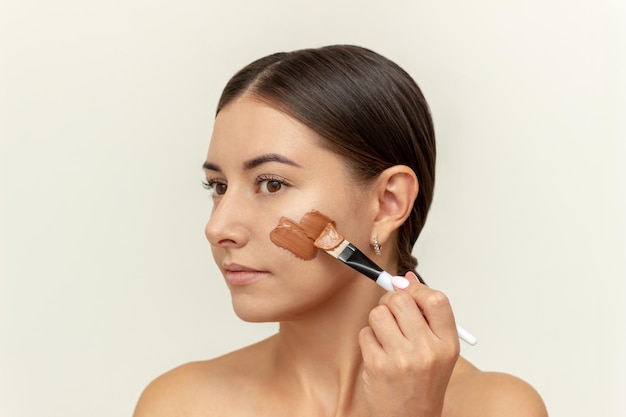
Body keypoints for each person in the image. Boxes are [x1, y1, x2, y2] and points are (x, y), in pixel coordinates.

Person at [133, 45, 548, 417]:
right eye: (218, 187)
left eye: (271, 183)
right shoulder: (180, 405)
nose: (217, 227)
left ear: (388, 203)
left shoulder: (498, 409)